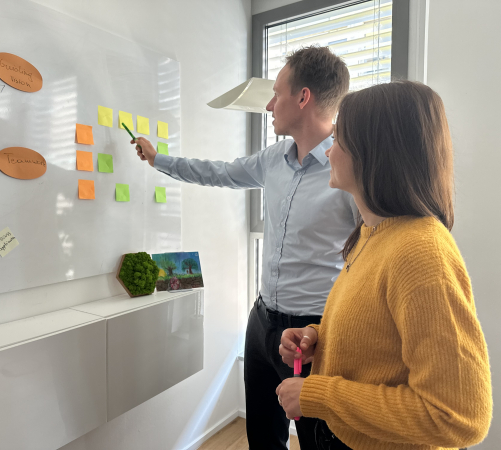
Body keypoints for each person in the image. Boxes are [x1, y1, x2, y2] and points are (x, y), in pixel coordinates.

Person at [130, 46, 356, 448]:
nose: (269, 105)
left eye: (276, 94)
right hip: (262, 321)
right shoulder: (273, 158)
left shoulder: (348, 169)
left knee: (318, 441)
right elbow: (218, 172)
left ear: (303, 98)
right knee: (263, 437)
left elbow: (369, 258)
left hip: (314, 334)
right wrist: (158, 159)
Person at [276, 80, 493, 450]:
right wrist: (318, 337)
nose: (329, 151)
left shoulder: (421, 253)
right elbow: (379, 334)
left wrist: (318, 394)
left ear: (374, 152)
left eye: (338, 140)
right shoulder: (371, 234)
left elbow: (458, 416)